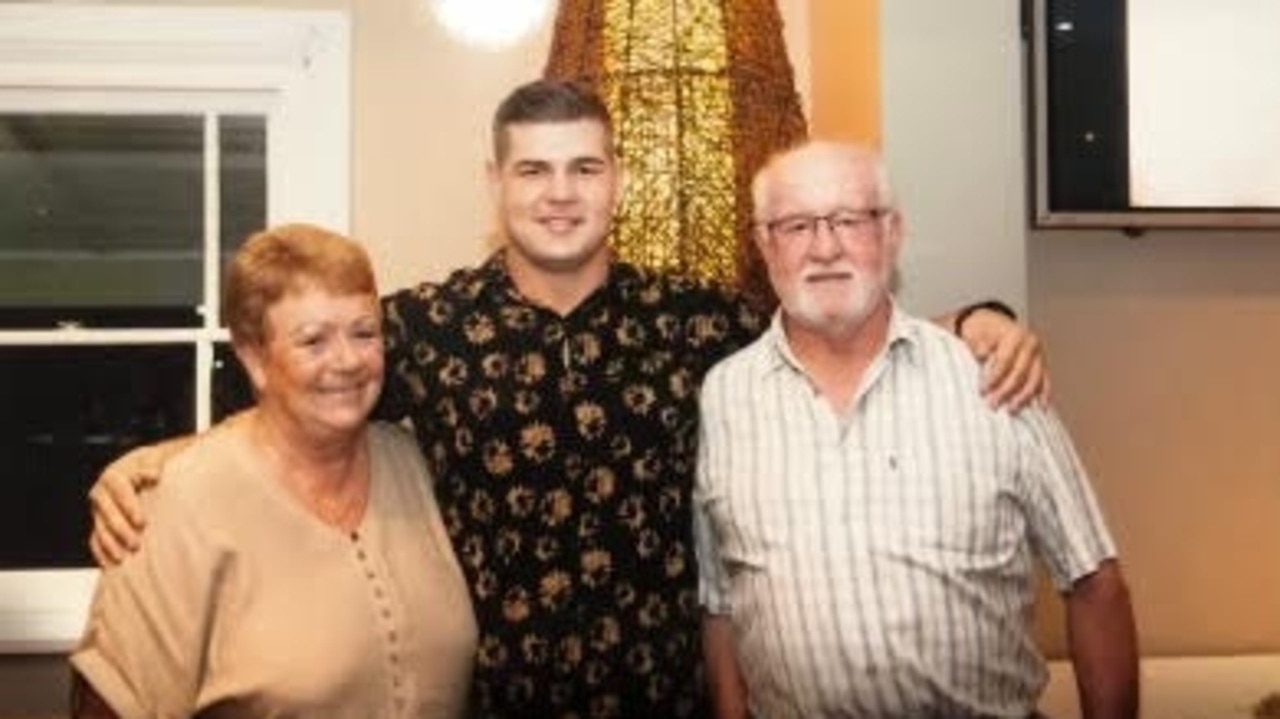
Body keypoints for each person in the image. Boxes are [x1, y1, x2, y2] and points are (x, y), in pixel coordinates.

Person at [87, 81, 1050, 718]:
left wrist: (980, 319)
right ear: (496, 182)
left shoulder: (699, 323)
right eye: (534, 169)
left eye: (584, 166)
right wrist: (157, 461)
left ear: (616, 181)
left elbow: (838, 321)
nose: (560, 192)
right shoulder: (421, 330)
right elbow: (294, 395)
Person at [694, 141, 1139, 719]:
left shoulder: (994, 375)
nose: (824, 248)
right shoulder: (725, 395)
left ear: (892, 233)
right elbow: (722, 602)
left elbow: (1094, 584)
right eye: (797, 225)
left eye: (851, 220)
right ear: (763, 245)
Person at [69, 224, 477, 718]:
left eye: (364, 333)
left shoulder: (412, 463)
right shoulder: (178, 504)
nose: (347, 360)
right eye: (313, 341)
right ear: (255, 358)